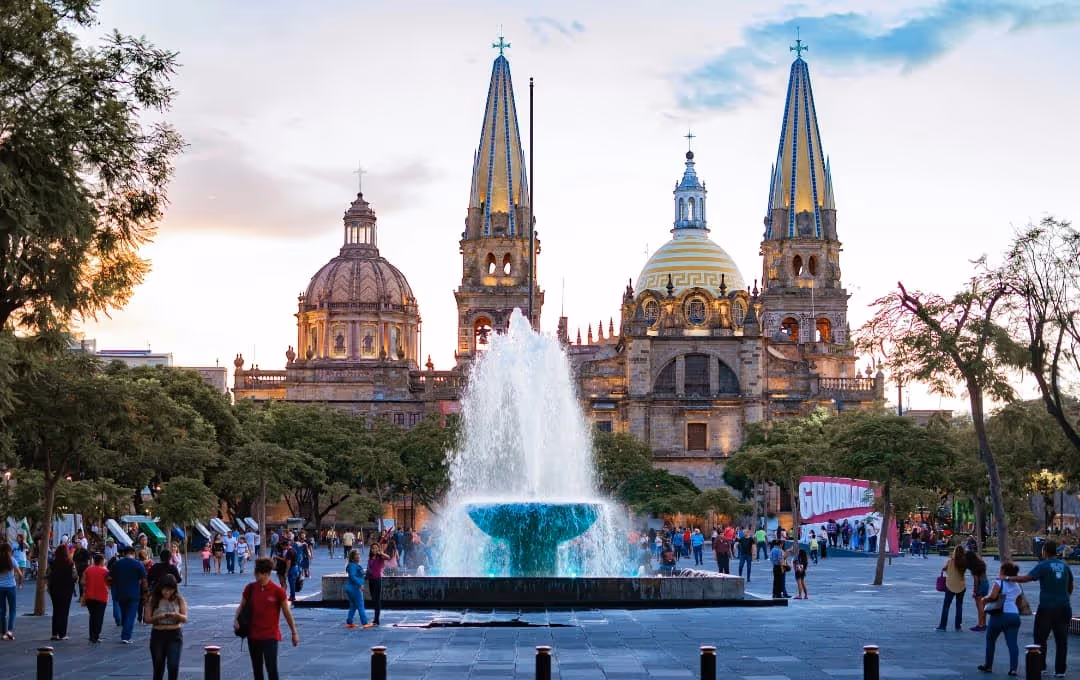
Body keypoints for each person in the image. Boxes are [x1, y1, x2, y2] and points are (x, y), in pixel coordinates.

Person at [1006, 539, 1074, 677]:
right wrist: (1064, 596)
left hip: (1047, 607)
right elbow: (1070, 584)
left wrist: (1008, 578)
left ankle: (1041, 666)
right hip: (1064, 607)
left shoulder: (1043, 565)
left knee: (1040, 638)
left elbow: (1028, 578)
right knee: (1062, 640)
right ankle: (1060, 670)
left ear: (1045, 551)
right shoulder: (1065, 565)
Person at [234, 558, 299, 680]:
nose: (255, 574)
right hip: (253, 635)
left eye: (257, 572)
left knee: (271, 668)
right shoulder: (250, 588)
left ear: (266, 573)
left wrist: (294, 632)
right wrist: (236, 620)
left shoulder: (278, 591)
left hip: (270, 635)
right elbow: (241, 606)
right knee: (257, 669)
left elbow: (286, 612)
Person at [978, 561, 1023, 676]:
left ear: (1003, 571)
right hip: (1014, 615)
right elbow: (1019, 601)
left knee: (991, 640)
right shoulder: (1017, 585)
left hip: (1000, 614)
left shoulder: (999, 582)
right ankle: (1013, 669)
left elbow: (993, 596)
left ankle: (988, 666)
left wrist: (984, 599)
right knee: (1012, 643)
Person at [145, 574, 187, 680]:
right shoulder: (153, 599)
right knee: (158, 666)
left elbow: (185, 618)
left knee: (173, 666)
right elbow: (147, 619)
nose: (167, 592)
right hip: (158, 635)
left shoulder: (179, 599)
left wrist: (177, 616)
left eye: (170, 590)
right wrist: (159, 617)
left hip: (174, 634)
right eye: (164, 589)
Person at [109, 545, 148, 643]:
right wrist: (145, 592)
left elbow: (109, 577)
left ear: (123, 553)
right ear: (133, 553)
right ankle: (126, 636)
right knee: (131, 615)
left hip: (120, 592)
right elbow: (144, 580)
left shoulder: (117, 564)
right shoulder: (138, 564)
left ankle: (125, 632)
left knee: (124, 613)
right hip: (134, 593)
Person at [46, 544, 77, 640]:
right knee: (64, 611)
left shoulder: (52, 563)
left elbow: (48, 575)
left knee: (56, 610)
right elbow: (75, 576)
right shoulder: (71, 563)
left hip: (54, 589)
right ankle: (62, 634)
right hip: (67, 589)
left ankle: (54, 633)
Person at [937, 545, 968, 631]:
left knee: (946, 606)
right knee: (959, 606)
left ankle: (943, 626)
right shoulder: (964, 562)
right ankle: (958, 626)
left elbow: (944, 569)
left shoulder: (950, 562)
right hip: (961, 586)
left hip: (950, 586)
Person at [82, 553, 109, 643]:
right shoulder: (105, 571)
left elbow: (82, 582)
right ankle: (96, 635)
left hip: (89, 596)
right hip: (101, 596)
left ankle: (92, 635)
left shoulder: (88, 570)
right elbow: (110, 582)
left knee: (93, 616)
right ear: (102, 561)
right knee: (99, 617)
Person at [0, 542, 23, 640]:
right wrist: (20, 583)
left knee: (2, 611)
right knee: (12, 610)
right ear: (9, 551)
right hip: (11, 587)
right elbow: (20, 574)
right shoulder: (12, 560)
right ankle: (10, 631)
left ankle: (3, 633)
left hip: (0, 587)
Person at [344, 549, 371, 628]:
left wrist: (365, 572)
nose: (359, 556)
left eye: (359, 554)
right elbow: (352, 576)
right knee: (360, 605)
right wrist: (360, 585)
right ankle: (365, 623)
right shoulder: (353, 565)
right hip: (354, 588)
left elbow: (357, 574)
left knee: (353, 606)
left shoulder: (353, 565)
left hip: (351, 588)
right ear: (352, 557)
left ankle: (349, 622)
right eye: (357, 555)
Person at [366, 541, 389, 626]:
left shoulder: (380, 557)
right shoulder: (370, 558)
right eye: (372, 548)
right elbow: (369, 569)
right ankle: (375, 618)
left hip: (377, 580)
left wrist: (381, 553)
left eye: (376, 548)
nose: (374, 549)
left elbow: (388, 557)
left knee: (377, 599)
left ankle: (376, 619)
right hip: (371, 580)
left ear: (378, 549)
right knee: (373, 599)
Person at [967, 551, 990, 632]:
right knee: (984, 605)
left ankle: (980, 625)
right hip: (986, 583)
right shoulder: (981, 563)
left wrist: (974, 591)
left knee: (979, 606)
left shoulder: (974, 566)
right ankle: (983, 624)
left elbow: (976, 580)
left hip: (980, 584)